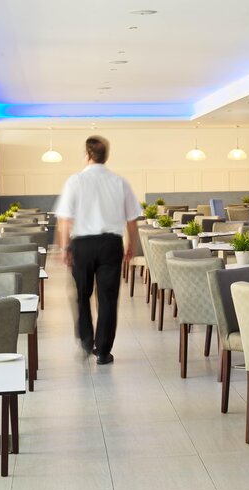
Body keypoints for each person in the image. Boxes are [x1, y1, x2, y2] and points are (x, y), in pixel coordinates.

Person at [54, 136, 141, 364]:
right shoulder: (119, 182)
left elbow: (65, 220)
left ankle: (85, 342)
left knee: (82, 295)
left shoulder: (75, 181)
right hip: (111, 244)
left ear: (87, 155)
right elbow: (132, 220)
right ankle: (103, 351)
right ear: (106, 156)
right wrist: (131, 245)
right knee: (108, 298)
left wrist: (64, 248)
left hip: (82, 245)